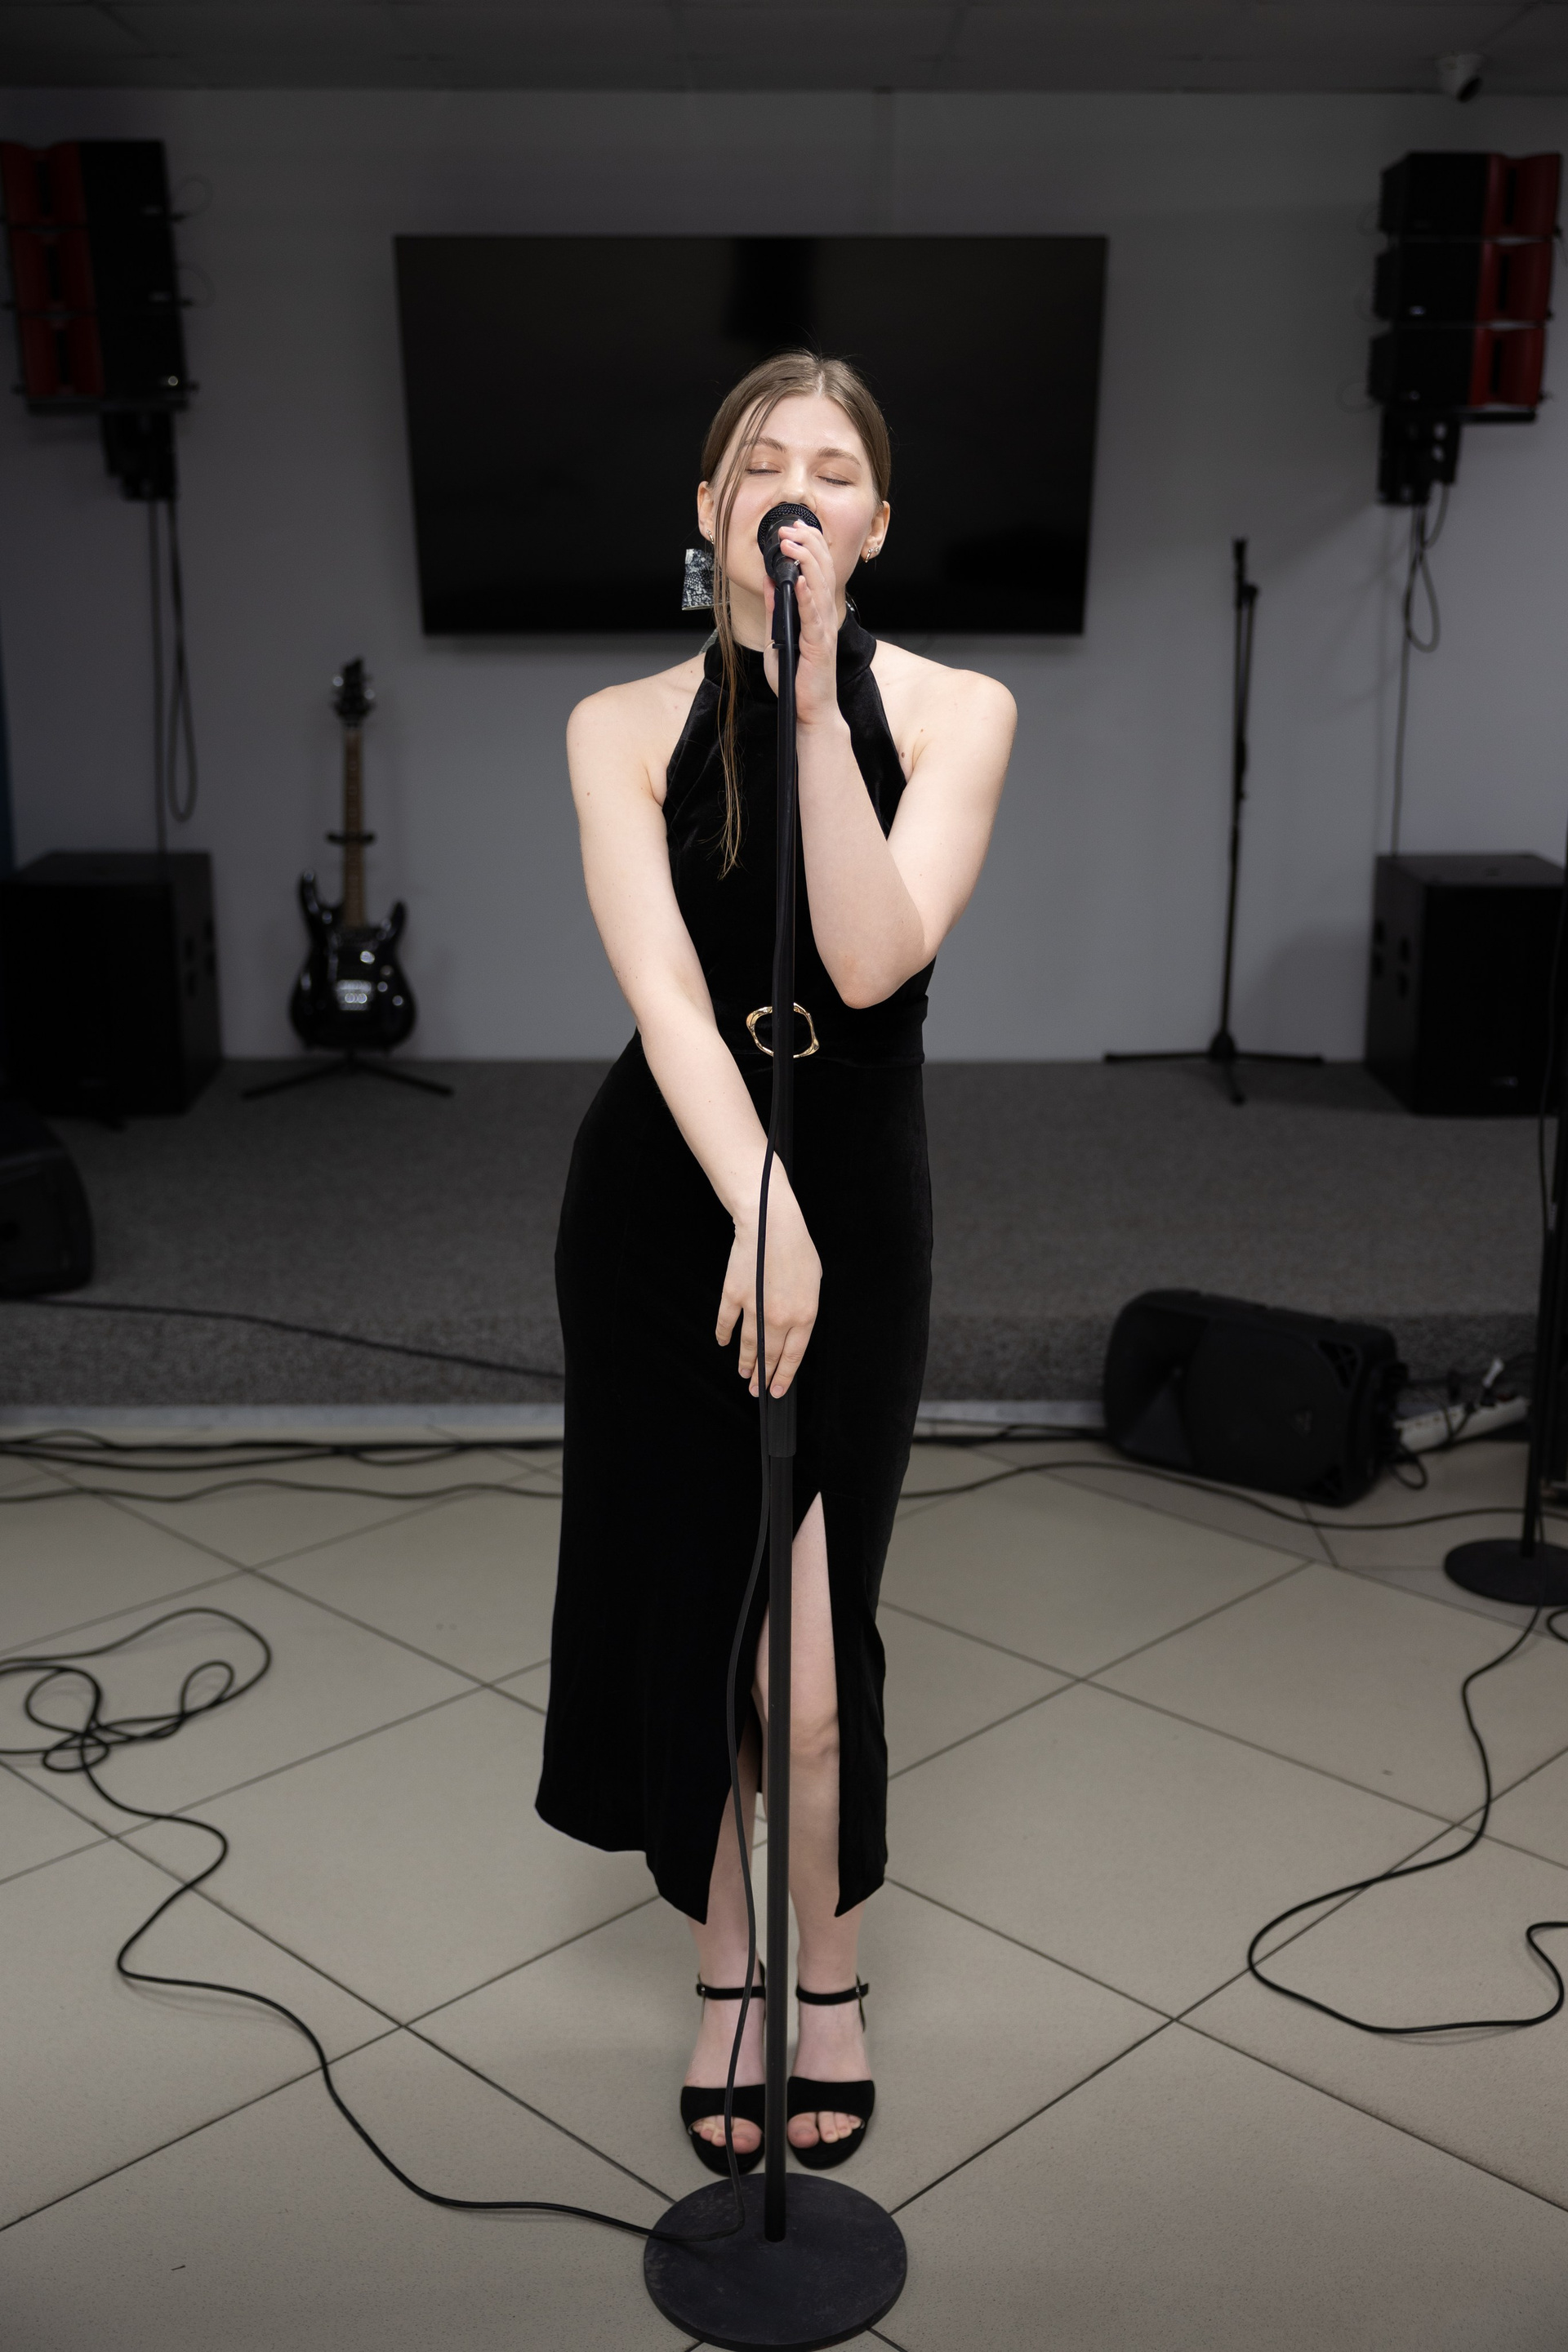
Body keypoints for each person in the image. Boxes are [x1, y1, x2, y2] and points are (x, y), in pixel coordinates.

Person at [537, 350, 1013, 2172]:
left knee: (808, 1681)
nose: (791, 489)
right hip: (669, 1192)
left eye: (829, 467)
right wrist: (754, 1198)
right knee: (692, 1625)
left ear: (874, 523)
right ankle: (725, 1974)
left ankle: (833, 1977)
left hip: (860, 1193)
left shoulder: (956, 711)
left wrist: (816, 709)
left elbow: (876, 962)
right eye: (757, 464)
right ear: (710, 513)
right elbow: (666, 995)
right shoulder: (617, 724)